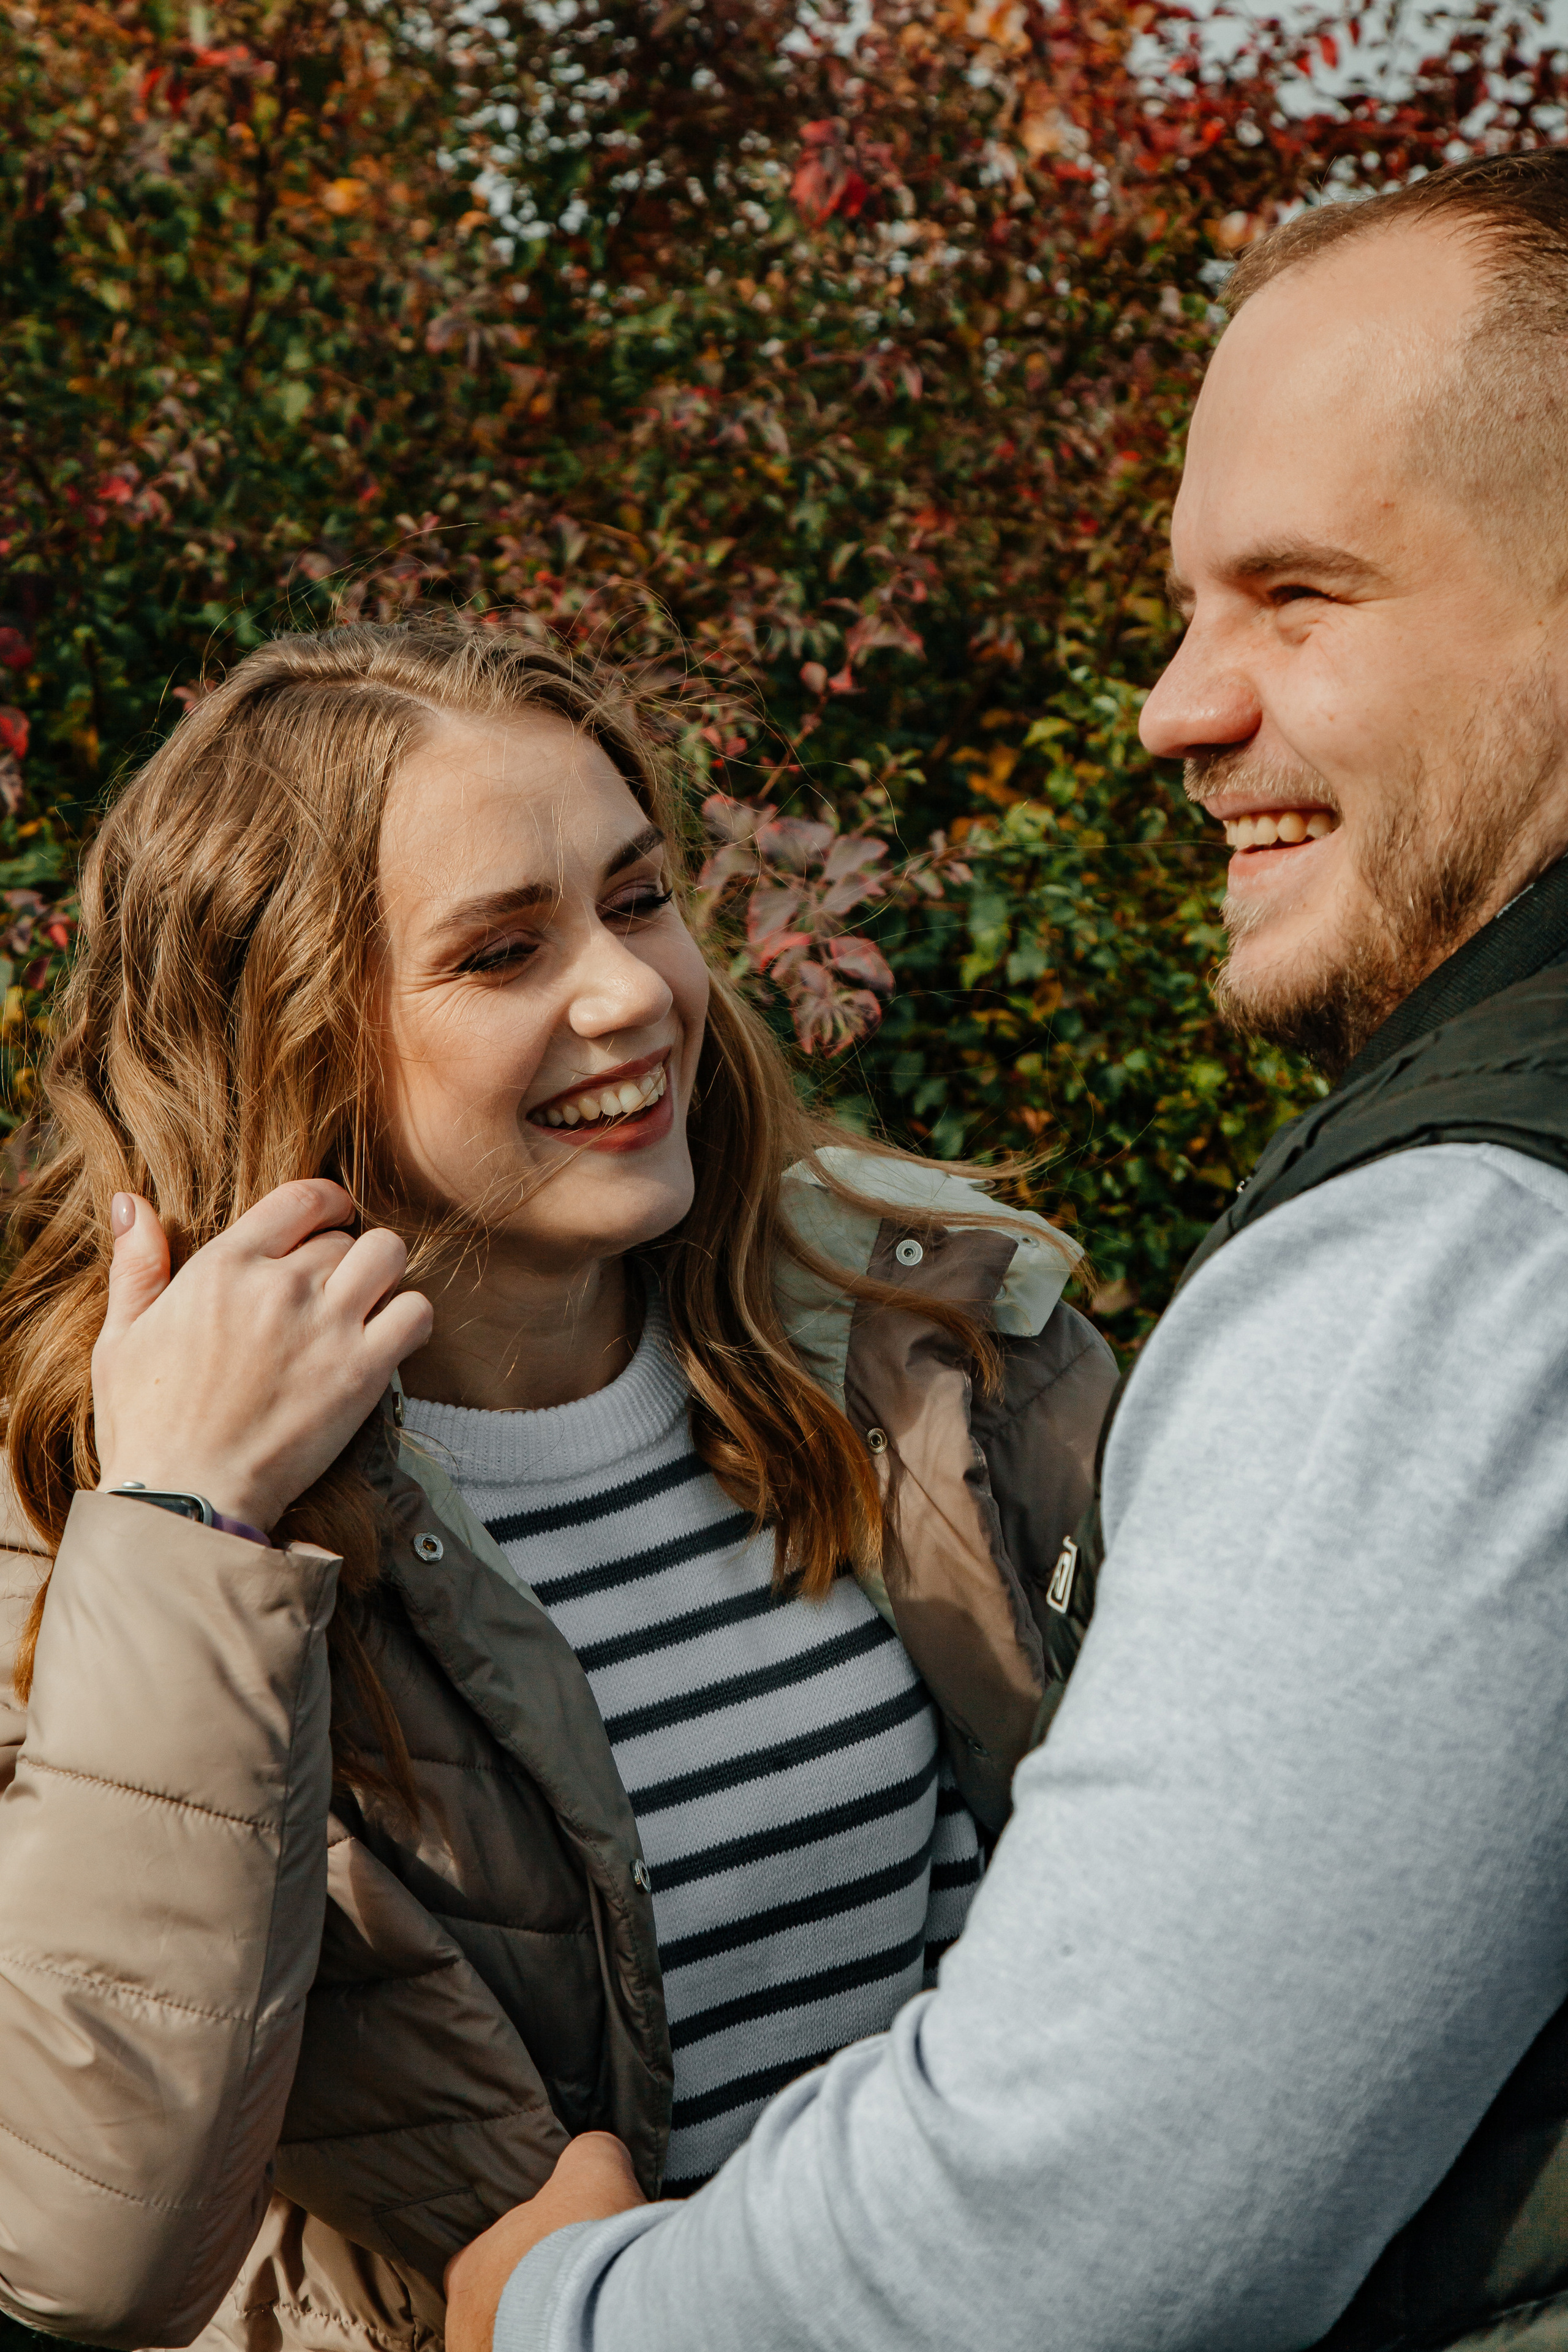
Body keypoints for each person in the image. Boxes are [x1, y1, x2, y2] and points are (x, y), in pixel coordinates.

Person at [443, 149, 1568, 2352]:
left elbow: (1072, 2244)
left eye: (1299, 596)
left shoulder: (1447, 1270)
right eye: (494, 945)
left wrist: (569, 2323)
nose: (1173, 703)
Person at [0, 622, 1114, 2351]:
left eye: (642, 899)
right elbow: (84, 2246)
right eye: (505, 950)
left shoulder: (929, 1345)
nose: (633, 993)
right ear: (288, 1028)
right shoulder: (84, 1520)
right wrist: (191, 1531)